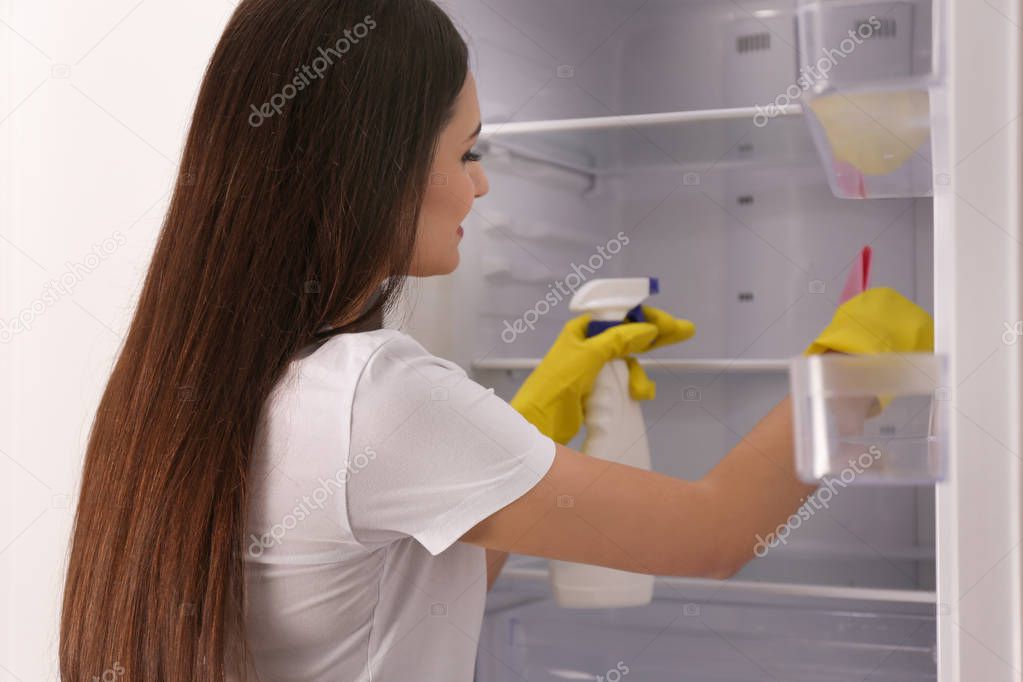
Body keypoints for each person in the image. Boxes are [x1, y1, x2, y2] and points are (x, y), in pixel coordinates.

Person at [58, 1, 935, 680]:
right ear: (375, 165)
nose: (480, 187)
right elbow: (713, 534)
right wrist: (858, 357)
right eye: (467, 152)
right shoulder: (379, 391)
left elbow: (398, 603)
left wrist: (538, 411)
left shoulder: (181, 385)